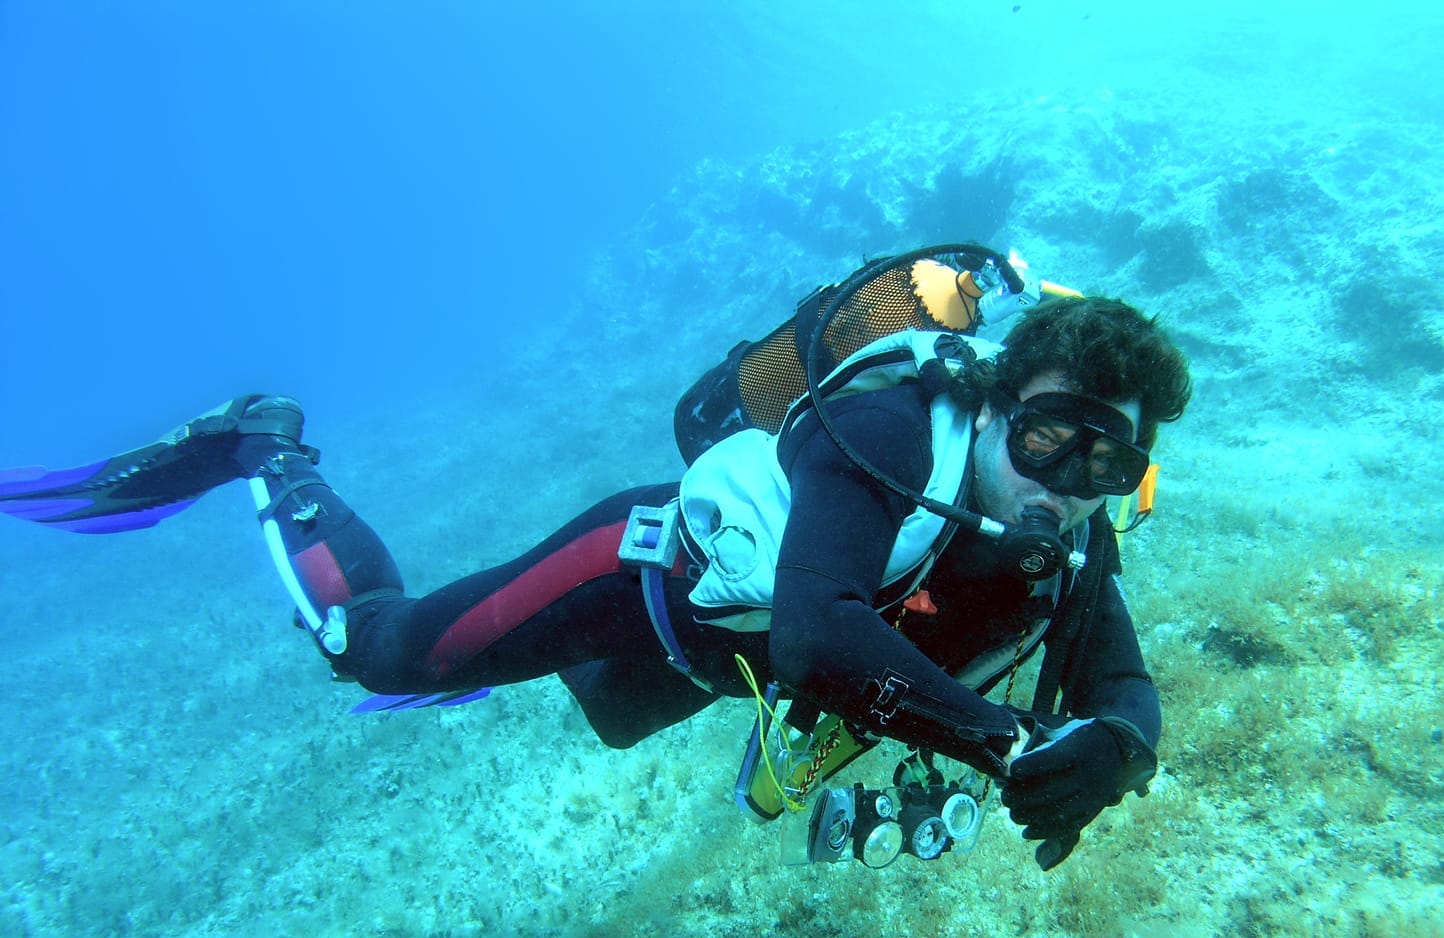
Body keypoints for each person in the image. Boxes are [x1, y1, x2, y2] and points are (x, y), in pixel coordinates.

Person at [0, 292, 1191, 870]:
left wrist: (1122, 748)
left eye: (1109, 458)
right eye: (1048, 441)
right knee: (381, 653)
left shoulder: (1070, 532)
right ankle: (268, 445)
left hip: (696, 658)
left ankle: (527, 666)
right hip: (634, 578)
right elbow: (819, 643)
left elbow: (1119, 672)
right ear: (993, 408)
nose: (1068, 483)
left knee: (612, 718)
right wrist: (1009, 746)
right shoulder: (886, 432)